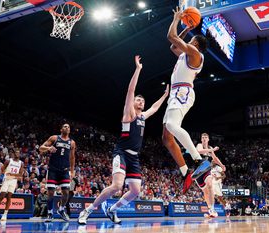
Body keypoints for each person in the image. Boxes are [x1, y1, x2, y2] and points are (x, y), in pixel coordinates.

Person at [78, 55, 169, 225]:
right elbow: (130, 91)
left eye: (143, 100)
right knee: (117, 186)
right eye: (138, 100)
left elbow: (155, 108)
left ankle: (113, 210)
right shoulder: (129, 113)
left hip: (134, 157)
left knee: (135, 191)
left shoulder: (142, 117)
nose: (141, 101)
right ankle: (88, 210)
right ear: (133, 103)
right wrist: (138, 69)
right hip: (121, 153)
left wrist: (165, 95)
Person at [162, 6, 209, 193]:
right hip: (176, 93)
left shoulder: (196, 54)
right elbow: (174, 45)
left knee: (172, 126)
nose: (188, 40)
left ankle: (199, 160)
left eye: (191, 39)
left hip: (183, 92)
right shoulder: (185, 54)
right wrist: (187, 29)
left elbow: (171, 38)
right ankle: (185, 172)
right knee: (166, 137)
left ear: (196, 44)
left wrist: (175, 19)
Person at [39, 123, 76, 222]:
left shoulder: (72, 142)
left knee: (66, 192)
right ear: (61, 129)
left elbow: (72, 157)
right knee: (51, 192)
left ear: (69, 130)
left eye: (68, 127)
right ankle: (50, 213)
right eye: (65, 126)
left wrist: (72, 171)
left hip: (64, 170)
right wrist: (48, 148)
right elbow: (41, 148)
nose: (67, 128)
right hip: (53, 170)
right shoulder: (54, 138)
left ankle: (61, 209)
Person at [194, 133, 226, 218]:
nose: (204, 138)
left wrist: (222, 165)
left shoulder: (210, 148)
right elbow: (199, 151)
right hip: (198, 171)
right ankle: (209, 209)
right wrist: (212, 150)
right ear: (201, 139)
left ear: (208, 139)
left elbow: (214, 158)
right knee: (205, 191)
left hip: (207, 169)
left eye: (206, 137)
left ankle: (212, 208)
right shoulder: (199, 145)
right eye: (203, 137)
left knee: (210, 184)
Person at [0, 149, 24, 221]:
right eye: (16, 153)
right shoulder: (8, 161)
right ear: (13, 154)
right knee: (2, 196)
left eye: (19, 153)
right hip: (6, 180)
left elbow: (20, 174)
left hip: (13, 181)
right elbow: (2, 170)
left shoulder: (21, 163)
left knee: (9, 197)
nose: (17, 154)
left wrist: (12, 174)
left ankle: (5, 214)